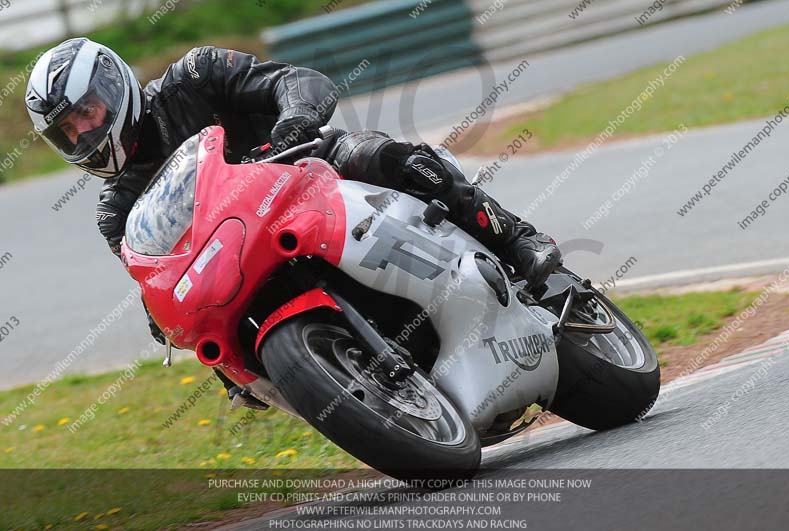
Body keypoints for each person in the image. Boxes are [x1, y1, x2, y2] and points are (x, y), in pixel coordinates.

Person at [25, 38, 561, 409]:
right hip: (243, 263)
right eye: (68, 130)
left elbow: (298, 82)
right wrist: (165, 317)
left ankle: (516, 239)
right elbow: (156, 278)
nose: (83, 132)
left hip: (307, 175)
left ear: (114, 88)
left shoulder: (196, 75)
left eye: (87, 112)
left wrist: (294, 123)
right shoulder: (115, 212)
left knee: (384, 156)